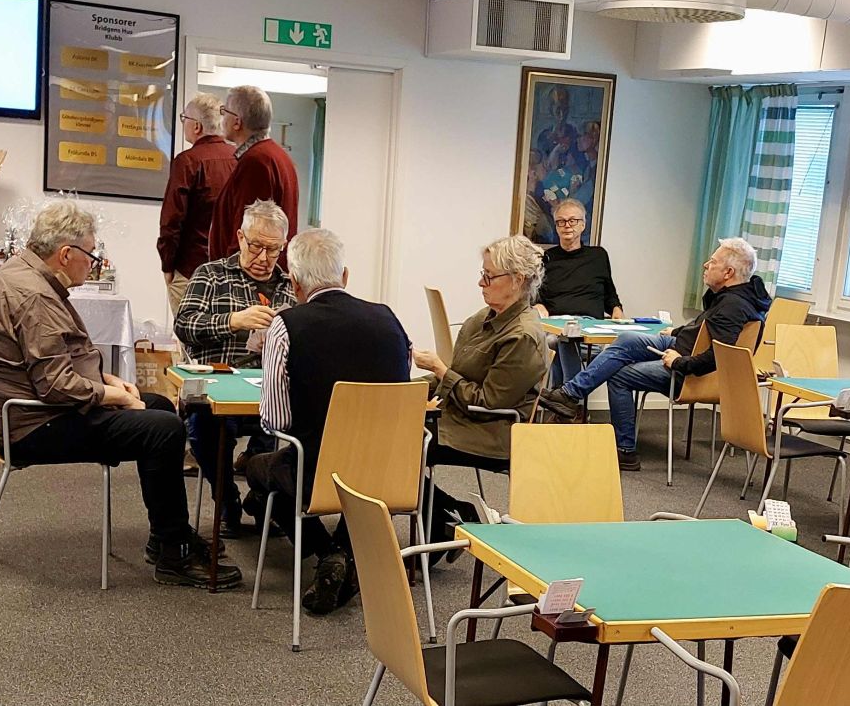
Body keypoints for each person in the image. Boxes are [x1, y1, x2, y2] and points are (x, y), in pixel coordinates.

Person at [0, 201, 241, 589]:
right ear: (66, 254)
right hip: (35, 425)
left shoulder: (25, 274)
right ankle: (172, 553)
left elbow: (55, 362)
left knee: (160, 407)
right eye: (90, 254)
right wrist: (116, 397)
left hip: (36, 410)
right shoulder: (35, 297)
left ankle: (167, 534)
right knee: (162, 429)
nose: (93, 263)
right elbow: (55, 386)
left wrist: (108, 381)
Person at [243, 228, 411, 615]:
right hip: (388, 473)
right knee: (343, 479)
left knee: (258, 469)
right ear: (345, 276)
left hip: (318, 474)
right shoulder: (390, 319)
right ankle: (346, 559)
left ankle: (328, 552)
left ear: (295, 283)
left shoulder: (287, 325)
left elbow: (275, 421)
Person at [539, 238, 771, 471]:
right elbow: (704, 330)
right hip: (683, 346)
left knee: (619, 375)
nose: (705, 265)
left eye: (712, 262)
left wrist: (679, 362)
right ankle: (570, 394)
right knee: (628, 339)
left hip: (690, 372)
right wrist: (677, 332)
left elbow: (719, 357)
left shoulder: (732, 306)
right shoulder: (737, 296)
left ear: (728, 272)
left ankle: (624, 450)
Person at [414, 235, 547, 555]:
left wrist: (441, 371)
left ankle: (450, 520)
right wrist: (403, 390)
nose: (480, 283)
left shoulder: (523, 336)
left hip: (490, 431)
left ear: (517, 280)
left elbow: (487, 401)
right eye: (483, 274)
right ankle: (452, 518)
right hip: (461, 416)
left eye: (489, 276)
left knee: (400, 449)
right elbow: (458, 374)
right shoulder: (484, 318)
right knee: (390, 437)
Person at [174, 199, 296, 537]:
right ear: (240, 237)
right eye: (256, 246)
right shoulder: (211, 275)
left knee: (291, 424)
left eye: (273, 250)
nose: (264, 258)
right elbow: (184, 325)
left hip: (272, 390)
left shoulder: (290, 285)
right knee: (204, 426)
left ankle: (261, 493)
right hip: (221, 385)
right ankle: (227, 497)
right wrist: (232, 321)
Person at [157, 93, 236, 316]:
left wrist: (167, 265)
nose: (184, 123)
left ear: (197, 126)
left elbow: (172, 221)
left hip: (190, 270)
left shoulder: (187, 162)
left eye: (184, 118)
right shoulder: (240, 159)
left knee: (190, 332)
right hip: (230, 274)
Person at [535, 198, 623, 386]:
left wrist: (617, 309)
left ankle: (564, 395)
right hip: (555, 326)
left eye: (572, 220)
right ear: (556, 226)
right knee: (561, 338)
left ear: (583, 225)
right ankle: (568, 396)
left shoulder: (598, 255)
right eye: (561, 221)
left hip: (589, 328)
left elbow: (610, 293)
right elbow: (535, 293)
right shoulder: (546, 258)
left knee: (563, 339)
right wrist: (538, 304)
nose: (567, 225)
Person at [208, 85, 298, 266]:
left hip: (247, 276)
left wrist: (230, 275)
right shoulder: (276, 156)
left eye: (224, 111)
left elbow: (249, 232)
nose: (222, 117)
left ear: (237, 122)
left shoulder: (256, 162)